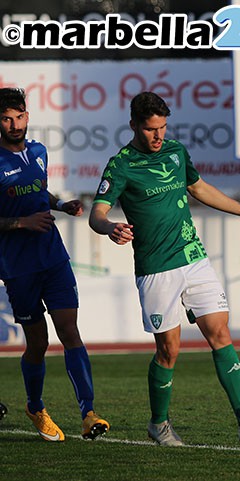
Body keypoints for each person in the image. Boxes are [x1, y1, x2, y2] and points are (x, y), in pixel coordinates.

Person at [89, 91, 240, 446]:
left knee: (220, 333)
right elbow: (96, 213)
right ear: (133, 126)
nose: (158, 136)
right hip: (156, 268)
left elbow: (199, 188)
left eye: (162, 127)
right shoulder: (121, 165)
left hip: (193, 258)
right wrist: (110, 226)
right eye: (150, 129)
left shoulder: (176, 152)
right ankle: (158, 424)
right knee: (169, 351)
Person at [0, 87, 109, 442]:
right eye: (6, 118)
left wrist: (61, 206)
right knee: (38, 343)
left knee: (70, 331)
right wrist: (21, 223)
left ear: (28, 116)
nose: (14, 124)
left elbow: (38, 191)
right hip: (18, 267)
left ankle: (88, 413)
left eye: (19, 116)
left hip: (53, 257)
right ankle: (35, 406)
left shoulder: (38, 151)